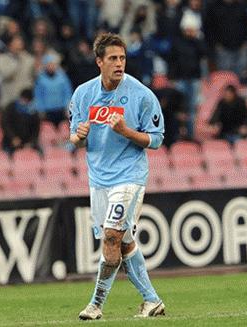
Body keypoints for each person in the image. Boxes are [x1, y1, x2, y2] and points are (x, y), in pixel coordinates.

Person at [69, 33, 165, 320]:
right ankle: (152, 301)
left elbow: (157, 139)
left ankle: (95, 305)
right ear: (99, 61)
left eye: (122, 58)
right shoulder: (83, 94)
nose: (119, 63)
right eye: (113, 58)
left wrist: (126, 132)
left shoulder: (141, 95)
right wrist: (78, 138)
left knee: (111, 236)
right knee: (121, 243)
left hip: (129, 176)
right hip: (98, 180)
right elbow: (73, 136)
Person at [0, 88, 42, 156]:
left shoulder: (33, 111)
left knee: (39, 153)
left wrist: (31, 142)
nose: (25, 102)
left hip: (27, 142)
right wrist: (13, 137)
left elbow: (36, 128)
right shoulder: (11, 107)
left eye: (28, 101)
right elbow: (4, 123)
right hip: (10, 141)